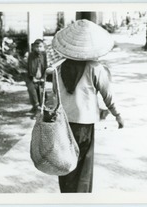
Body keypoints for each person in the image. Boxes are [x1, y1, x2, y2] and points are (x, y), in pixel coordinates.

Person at [49, 19, 124, 193]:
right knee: (84, 167)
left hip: (63, 124)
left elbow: (54, 97)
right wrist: (117, 115)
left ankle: (67, 198)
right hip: (84, 124)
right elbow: (108, 95)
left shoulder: (58, 70)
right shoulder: (95, 68)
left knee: (65, 163)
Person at [26, 39, 48, 113]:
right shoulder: (31, 55)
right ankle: (35, 106)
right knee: (32, 90)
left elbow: (46, 66)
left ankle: (42, 106)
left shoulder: (44, 55)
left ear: (43, 47)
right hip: (32, 77)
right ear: (34, 47)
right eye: (37, 47)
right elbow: (30, 66)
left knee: (42, 91)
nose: (38, 48)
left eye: (40, 46)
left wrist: (43, 77)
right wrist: (33, 77)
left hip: (41, 76)